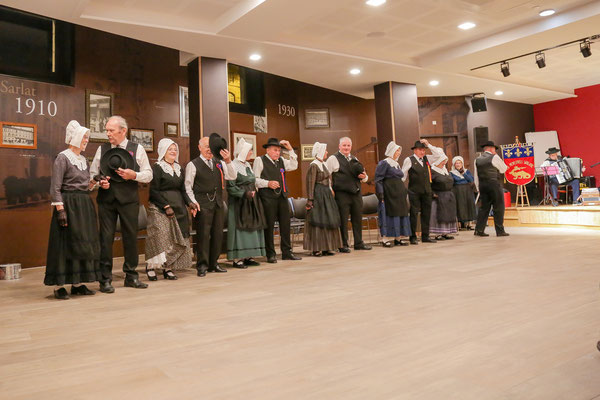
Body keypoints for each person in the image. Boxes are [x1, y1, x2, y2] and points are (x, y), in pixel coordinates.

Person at [44, 121, 107, 299]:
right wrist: (60, 210)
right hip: (68, 204)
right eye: (84, 137)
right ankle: (59, 286)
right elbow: (55, 187)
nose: (86, 140)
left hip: (84, 204)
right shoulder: (63, 158)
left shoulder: (83, 160)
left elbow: (85, 187)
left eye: (87, 137)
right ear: (75, 138)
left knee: (82, 242)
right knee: (65, 244)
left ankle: (78, 283)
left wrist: (95, 180)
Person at [90, 115, 153, 292]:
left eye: (111, 130)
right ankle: (105, 279)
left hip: (129, 201)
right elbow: (92, 175)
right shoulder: (101, 150)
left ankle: (131, 276)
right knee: (105, 239)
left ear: (123, 131)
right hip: (106, 201)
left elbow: (149, 174)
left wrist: (134, 175)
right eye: (107, 130)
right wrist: (99, 182)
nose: (108, 134)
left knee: (130, 238)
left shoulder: (137, 149)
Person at [184, 134, 236, 277]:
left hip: (218, 204)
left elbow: (232, 176)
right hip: (202, 204)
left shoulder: (219, 163)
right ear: (199, 148)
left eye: (210, 146)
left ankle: (214, 263)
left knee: (218, 235)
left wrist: (228, 160)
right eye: (206, 146)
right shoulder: (192, 164)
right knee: (203, 236)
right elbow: (187, 187)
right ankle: (202, 265)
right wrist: (193, 203)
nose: (209, 149)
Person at [145, 138, 193, 281]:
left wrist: (190, 203)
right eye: (170, 149)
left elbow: (183, 190)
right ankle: (151, 267)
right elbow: (153, 191)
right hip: (160, 208)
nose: (173, 151)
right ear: (163, 151)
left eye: (175, 149)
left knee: (176, 240)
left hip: (179, 207)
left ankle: (168, 267)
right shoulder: (158, 167)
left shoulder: (179, 168)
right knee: (161, 238)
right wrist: (166, 206)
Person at [253, 137, 302, 263]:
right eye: (275, 150)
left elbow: (294, 165)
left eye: (279, 150)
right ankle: (270, 254)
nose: (277, 153)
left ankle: (287, 252)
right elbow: (254, 180)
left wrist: (290, 149)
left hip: (282, 196)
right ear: (268, 150)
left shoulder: (281, 161)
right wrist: (267, 183)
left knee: (285, 225)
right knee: (269, 226)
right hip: (267, 198)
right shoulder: (260, 160)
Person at [326, 137, 372, 253]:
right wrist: (330, 188)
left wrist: (364, 177)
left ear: (351, 147)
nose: (346, 148)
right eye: (344, 145)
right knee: (343, 220)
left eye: (348, 146)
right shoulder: (333, 158)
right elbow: (325, 175)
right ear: (339, 146)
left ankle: (358, 243)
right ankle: (343, 244)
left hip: (356, 193)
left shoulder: (354, 159)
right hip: (342, 194)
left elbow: (364, 177)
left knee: (357, 219)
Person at [226, 138, 267, 268]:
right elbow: (231, 187)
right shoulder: (232, 166)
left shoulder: (247, 165)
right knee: (240, 229)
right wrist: (244, 194)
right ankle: (238, 259)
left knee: (252, 228)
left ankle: (249, 256)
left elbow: (253, 181)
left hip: (251, 201)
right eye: (249, 151)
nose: (251, 153)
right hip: (240, 202)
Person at [304, 142, 342, 256]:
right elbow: (310, 183)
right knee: (318, 219)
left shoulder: (323, 164)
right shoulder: (313, 165)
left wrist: (330, 189)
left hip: (326, 194)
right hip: (318, 194)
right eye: (325, 151)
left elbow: (328, 179)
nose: (326, 152)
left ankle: (328, 246)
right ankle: (317, 248)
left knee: (328, 219)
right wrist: (310, 200)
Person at [374, 141, 411, 247]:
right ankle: (385, 239)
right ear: (391, 151)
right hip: (389, 193)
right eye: (397, 151)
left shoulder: (397, 164)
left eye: (399, 151)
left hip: (399, 194)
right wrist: (380, 193)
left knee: (399, 215)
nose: (398, 153)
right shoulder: (384, 163)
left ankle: (398, 238)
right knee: (389, 215)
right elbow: (378, 179)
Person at [401, 139, 436, 244]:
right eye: (420, 150)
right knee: (414, 214)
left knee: (427, 214)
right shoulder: (409, 160)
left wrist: (428, 145)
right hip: (414, 191)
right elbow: (403, 176)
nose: (422, 152)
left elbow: (440, 156)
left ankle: (425, 236)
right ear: (415, 150)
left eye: (424, 150)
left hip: (427, 191)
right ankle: (413, 237)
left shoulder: (427, 159)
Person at [474, 141, 509, 237]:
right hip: (494, 185)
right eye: (494, 149)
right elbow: (503, 169)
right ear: (491, 149)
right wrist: (497, 157)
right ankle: (500, 230)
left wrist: (478, 188)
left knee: (484, 208)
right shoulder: (495, 157)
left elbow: (476, 176)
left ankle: (479, 230)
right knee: (499, 207)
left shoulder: (477, 159)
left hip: (483, 185)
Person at [427, 145, 458, 241]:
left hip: (448, 195)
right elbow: (428, 184)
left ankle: (446, 232)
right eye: (442, 161)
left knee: (448, 214)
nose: (444, 163)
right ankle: (438, 233)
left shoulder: (445, 171)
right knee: (439, 214)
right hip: (438, 195)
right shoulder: (432, 171)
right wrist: (432, 193)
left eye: (445, 161)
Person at [450, 156, 476, 230]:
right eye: (456, 163)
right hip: (457, 191)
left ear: (462, 163)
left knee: (468, 205)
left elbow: (471, 180)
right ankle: (460, 224)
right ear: (454, 165)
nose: (458, 165)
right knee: (460, 207)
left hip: (467, 191)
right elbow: (454, 181)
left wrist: (463, 173)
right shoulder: (451, 173)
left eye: (459, 163)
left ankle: (469, 223)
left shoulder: (467, 171)